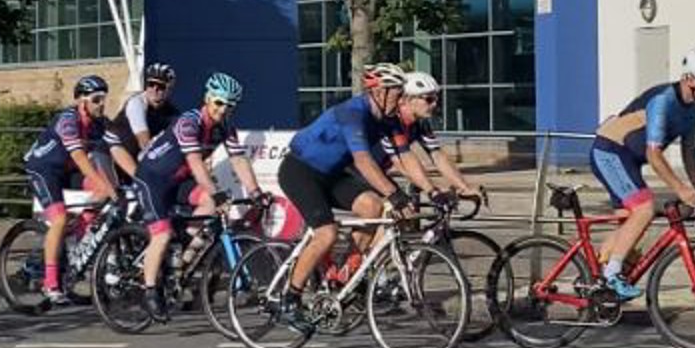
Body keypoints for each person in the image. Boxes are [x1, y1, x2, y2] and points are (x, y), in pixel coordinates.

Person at [275, 63, 414, 331]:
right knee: (326, 233)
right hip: (300, 170)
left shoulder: (389, 119)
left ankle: (346, 273)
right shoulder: (353, 112)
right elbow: (363, 161)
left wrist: (433, 190)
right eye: (398, 94)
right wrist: (395, 194)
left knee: (372, 205)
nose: (401, 100)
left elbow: (406, 156)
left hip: (332, 174)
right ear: (380, 92)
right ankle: (289, 300)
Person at [589, 48, 695, 301]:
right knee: (645, 209)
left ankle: (595, 284)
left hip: (629, 159)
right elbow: (654, 155)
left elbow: (688, 148)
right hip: (610, 152)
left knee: (629, 228)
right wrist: (680, 189)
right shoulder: (664, 101)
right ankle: (611, 275)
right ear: (691, 81)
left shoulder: (694, 108)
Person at [132, 72, 261, 322]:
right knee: (162, 234)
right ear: (207, 98)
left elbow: (238, 159)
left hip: (179, 180)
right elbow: (195, 163)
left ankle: (180, 263)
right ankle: (150, 291)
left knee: (210, 207)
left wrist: (256, 192)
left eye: (230, 106)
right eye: (219, 103)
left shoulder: (225, 127)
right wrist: (216, 192)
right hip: (152, 178)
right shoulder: (189, 122)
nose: (223, 110)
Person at [22, 75, 121, 305]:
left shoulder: (100, 123)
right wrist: (103, 183)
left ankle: (78, 243)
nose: (101, 104)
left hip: (67, 170)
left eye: (103, 99)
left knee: (103, 196)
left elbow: (115, 150)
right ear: (81, 101)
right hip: (44, 168)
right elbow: (79, 157)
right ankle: (50, 283)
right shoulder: (67, 120)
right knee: (59, 219)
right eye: (96, 100)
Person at [377, 71, 478, 200]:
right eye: (429, 99)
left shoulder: (420, 124)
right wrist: (432, 190)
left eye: (436, 99)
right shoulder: (390, 122)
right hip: (360, 174)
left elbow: (438, 156)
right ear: (406, 99)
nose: (434, 104)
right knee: (398, 207)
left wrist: (464, 188)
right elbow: (403, 164)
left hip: (379, 172)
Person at [106, 62, 179, 177]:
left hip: (134, 163)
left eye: (160, 86)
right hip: (112, 158)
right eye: (151, 84)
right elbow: (144, 143)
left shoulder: (172, 113)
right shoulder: (137, 103)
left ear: (169, 89)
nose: (154, 89)